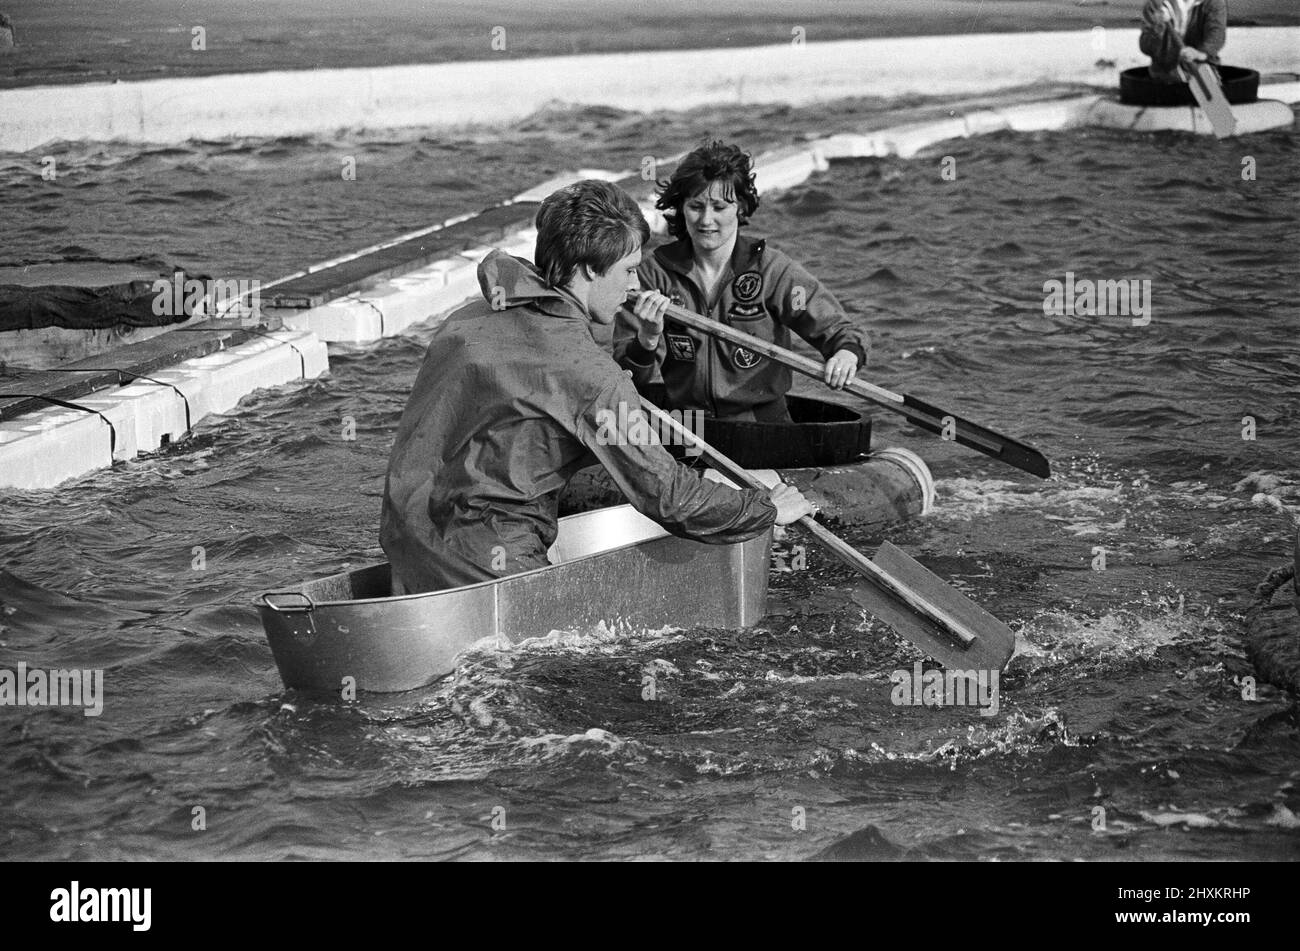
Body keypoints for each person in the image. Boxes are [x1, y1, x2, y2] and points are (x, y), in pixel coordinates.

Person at [380, 179, 813, 594]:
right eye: (627, 271)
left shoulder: (467, 320)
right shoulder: (588, 374)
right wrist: (766, 509)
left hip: (407, 551)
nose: (632, 287)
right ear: (588, 269)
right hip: (496, 569)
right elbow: (668, 496)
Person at [614, 141, 869, 423]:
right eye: (696, 206)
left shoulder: (772, 270)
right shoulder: (651, 275)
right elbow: (628, 380)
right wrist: (647, 338)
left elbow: (838, 331)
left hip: (764, 426)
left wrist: (846, 354)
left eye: (719, 207)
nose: (706, 220)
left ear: (741, 207)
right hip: (688, 427)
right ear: (681, 208)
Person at [1139, 0, 1227, 83]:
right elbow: (1146, 47)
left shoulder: (1213, 2)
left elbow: (1216, 35)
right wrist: (1158, 26)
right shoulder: (1156, 4)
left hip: (1202, 71)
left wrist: (1199, 53)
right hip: (1165, 74)